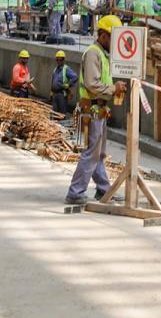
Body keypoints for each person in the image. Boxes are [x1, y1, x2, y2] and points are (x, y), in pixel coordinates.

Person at [65, 15, 127, 205]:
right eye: (112, 38)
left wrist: (113, 88)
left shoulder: (103, 54)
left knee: (98, 153)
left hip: (99, 110)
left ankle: (103, 190)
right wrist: (112, 89)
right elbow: (92, 84)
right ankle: (75, 192)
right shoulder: (93, 53)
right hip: (91, 111)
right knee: (91, 152)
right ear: (103, 36)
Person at [51, 51, 77, 116]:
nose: (59, 61)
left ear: (63, 60)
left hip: (62, 94)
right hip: (55, 94)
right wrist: (51, 92)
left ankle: (61, 125)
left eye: (61, 59)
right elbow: (53, 80)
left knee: (61, 113)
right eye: (57, 59)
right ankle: (55, 125)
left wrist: (68, 84)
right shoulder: (55, 69)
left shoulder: (66, 69)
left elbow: (75, 77)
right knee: (54, 113)